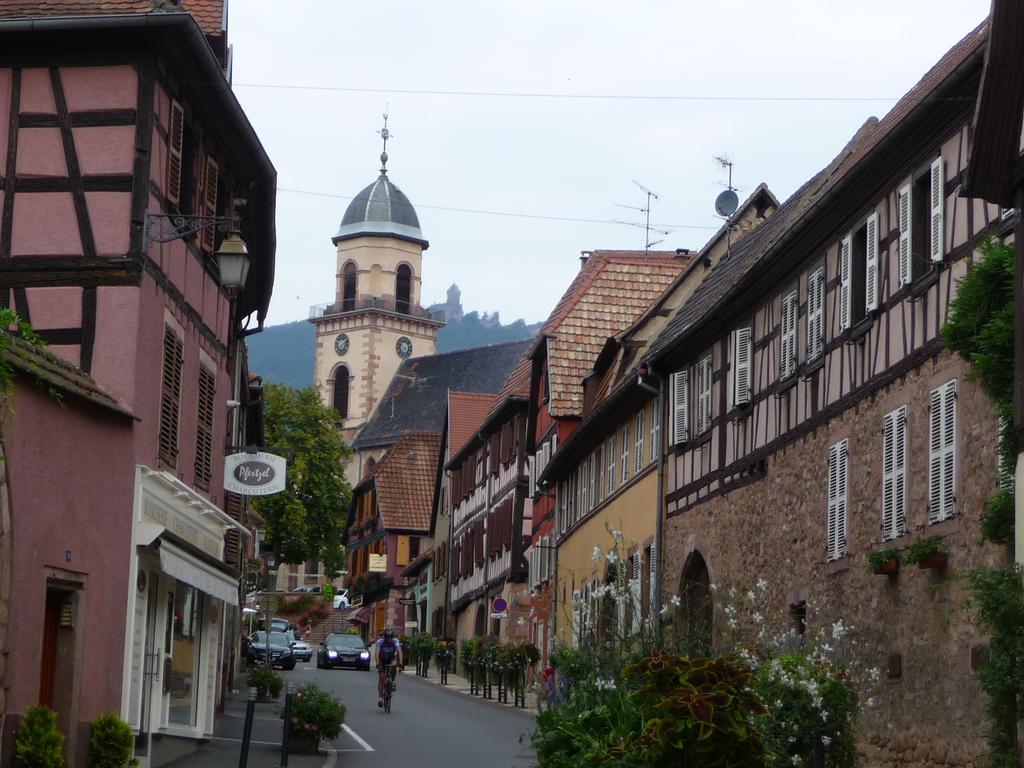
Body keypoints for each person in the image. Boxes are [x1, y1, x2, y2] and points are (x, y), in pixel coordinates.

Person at [373, 628, 403, 707]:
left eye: (390, 637)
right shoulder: (380, 642)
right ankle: (380, 698)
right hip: (382, 659)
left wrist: (400, 663)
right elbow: (377, 653)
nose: (389, 639)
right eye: (387, 637)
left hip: (391, 659)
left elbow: (399, 652)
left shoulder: (395, 641)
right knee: (382, 678)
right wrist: (378, 663)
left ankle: (392, 681)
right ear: (385, 637)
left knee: (394, 665)